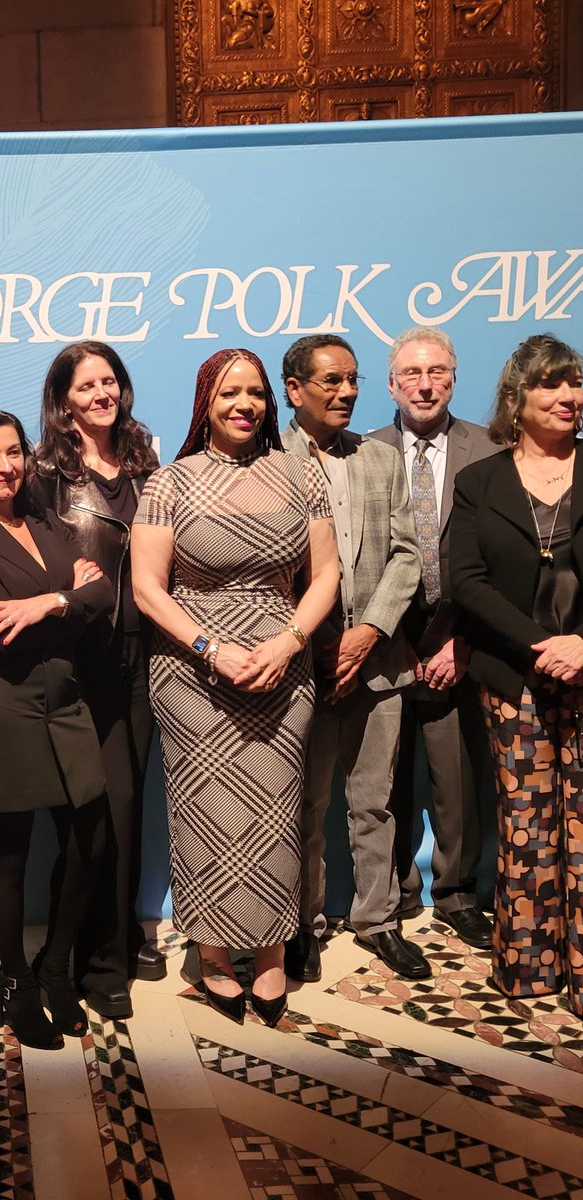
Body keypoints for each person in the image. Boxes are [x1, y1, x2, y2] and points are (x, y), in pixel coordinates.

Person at [130, 349, 338, 1026]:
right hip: (192, 675)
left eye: (253, 393)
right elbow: (146, 588)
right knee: (203, 813)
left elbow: (327, 575)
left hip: (283, 668)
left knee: (276, 815)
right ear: (205, 402)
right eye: (229, 393)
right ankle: (216, 954)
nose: (243, 404)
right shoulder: (170, 482)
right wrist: (211, 648)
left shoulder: (299, 475)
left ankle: (272, 954)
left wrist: (286, 644)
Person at [0, 410, 113, 1050]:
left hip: (65, 699)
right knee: (7, 854)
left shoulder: (52, 526)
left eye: (13, 452)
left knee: (89, 839)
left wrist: (49, 601)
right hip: (0, 702)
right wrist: (71, 597)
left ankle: (57, 965)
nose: (5, 465)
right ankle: (17, 980)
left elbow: (103, 598)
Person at [280, 336, 425, 983]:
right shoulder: (263, 465)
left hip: (378, 663)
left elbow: (408, 554)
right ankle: (302, 927)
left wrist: (369, 630)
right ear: (294, 389)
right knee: (303, 809)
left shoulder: (379, 458)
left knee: (376, 803)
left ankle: (378, 920)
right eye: (332, 381)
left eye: (354, 380)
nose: (347, 392)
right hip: (298, 671)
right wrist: (317, 645)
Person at [449, 333, 583, 1017]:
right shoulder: (479, 482)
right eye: (550, 385)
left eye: (575, 383)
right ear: (516, 398)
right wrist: (542, 645)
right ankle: (529, 967)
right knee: (527, 823)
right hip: (514, 676)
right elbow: (465, 583)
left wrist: (581, 644)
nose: (568, 397)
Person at [31, 341, 163, 1020]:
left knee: (125, 809)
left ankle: (110, 955)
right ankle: (70, 956)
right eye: (86, 385)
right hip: (75, 660)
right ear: (63, 399)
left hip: (140, 657)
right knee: (92, 819)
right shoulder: (44, 472)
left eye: (110, 380)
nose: (101, 393)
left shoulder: (146, 463)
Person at [368, 328, 497, 949]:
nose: (425, 384)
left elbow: (504, 562)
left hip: (459, 641)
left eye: (438, 372)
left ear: (453, 378)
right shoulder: (361, 451)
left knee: (458, 778)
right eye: (412, 374)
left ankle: (456, 893)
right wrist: (383, 638)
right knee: (385, 782)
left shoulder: (490, 449)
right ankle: (391, 894)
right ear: (391, 383)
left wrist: (463, 642)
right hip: (385, 644)